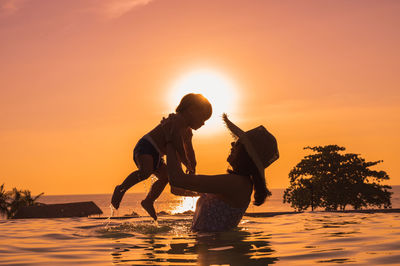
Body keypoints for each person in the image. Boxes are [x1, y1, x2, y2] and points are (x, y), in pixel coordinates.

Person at [164, 113, 279, 232]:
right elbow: (177, 188)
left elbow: (177, 179)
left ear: (246, 154)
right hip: (211, 247)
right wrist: (186, 142)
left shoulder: (236, 183)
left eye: (238, 143)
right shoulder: (238, 183)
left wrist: (170, 139)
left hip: (214, 247)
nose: (233, 144)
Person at [111, 93, 212, 220]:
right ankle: (121, 188)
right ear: (191, 110)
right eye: (203, 118)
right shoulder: (178, 120)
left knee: (165, 178)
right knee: (145, 172)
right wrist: (186, 162)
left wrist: (193, 165)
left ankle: (148, 201)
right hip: (146, 146)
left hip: (157, 154)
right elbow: (177, 143)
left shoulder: (187, 131)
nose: (203, 123)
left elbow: (189, 149)